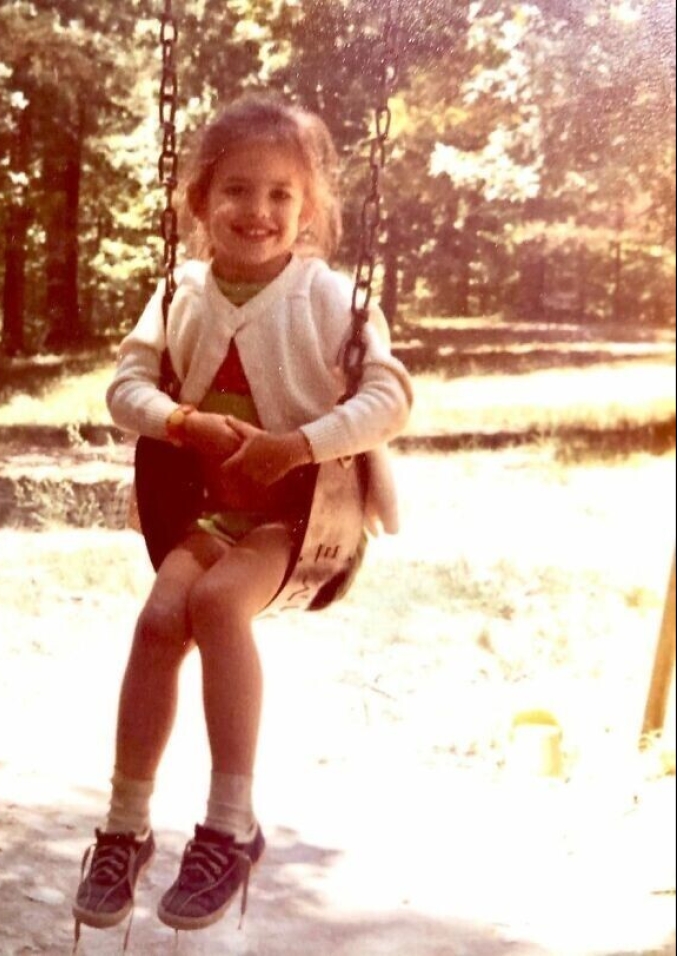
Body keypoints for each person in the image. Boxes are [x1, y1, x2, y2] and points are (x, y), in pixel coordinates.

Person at [72, 93, 413, 937]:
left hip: (299, 521)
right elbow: (125, 389)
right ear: (199, 201)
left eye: (279, 196)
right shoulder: (179, 290)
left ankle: (229, 827)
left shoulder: (330, 297)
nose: (256, 212)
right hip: (212, 512)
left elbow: (390, 398)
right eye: (235, 191)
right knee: (158, 620)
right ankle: (124, 824)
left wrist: (298, 445)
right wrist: (180, 421)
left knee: (218, 606)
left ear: (306, 208)